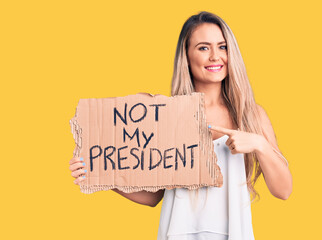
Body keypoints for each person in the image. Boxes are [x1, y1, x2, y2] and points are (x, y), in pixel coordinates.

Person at [69, 11, 292, 240]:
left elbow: (283, 191)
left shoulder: (251, 115)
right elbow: (155, 195)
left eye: (222, 47)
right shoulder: (167, 115)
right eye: (203, 48)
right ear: (186, 56)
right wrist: (102, 175)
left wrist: (260, 145)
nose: (215, 56)